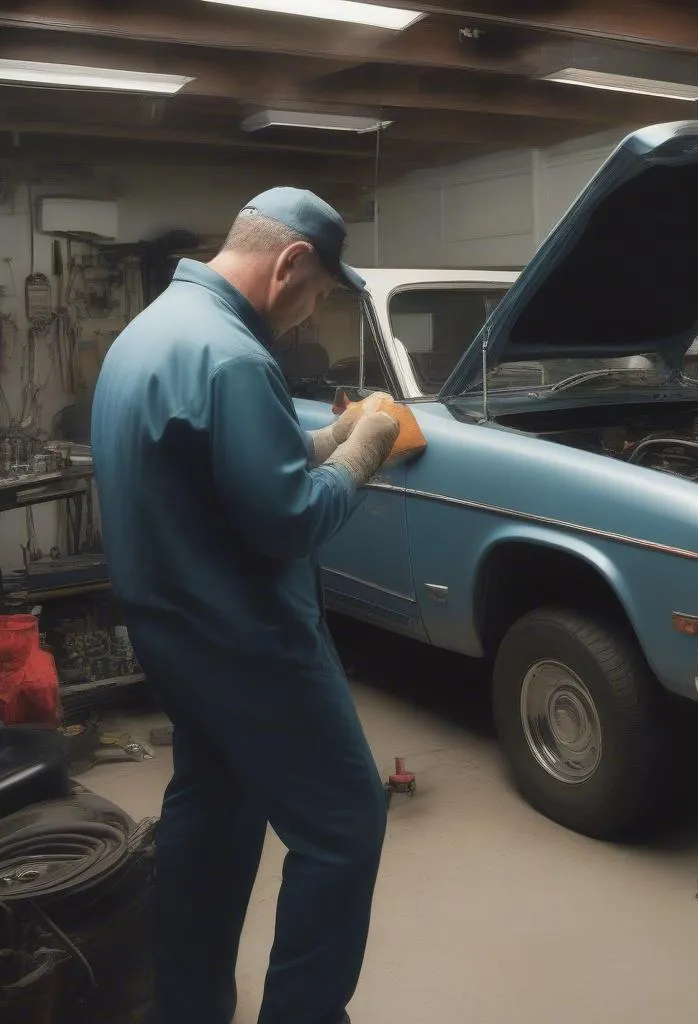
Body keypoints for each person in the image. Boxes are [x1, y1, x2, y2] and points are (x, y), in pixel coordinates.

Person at [90, 187, 401, 1024]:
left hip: (173, 637)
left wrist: (318, 444)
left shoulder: (150, 333)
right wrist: (365, 450)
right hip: (249, 643)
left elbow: (217, 463)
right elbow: (289, 521)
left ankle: (185, 1008)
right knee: (344, 825)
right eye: (318, 297)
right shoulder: (235, 354)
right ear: (291, 263)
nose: (308, 318)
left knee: (215, 810)